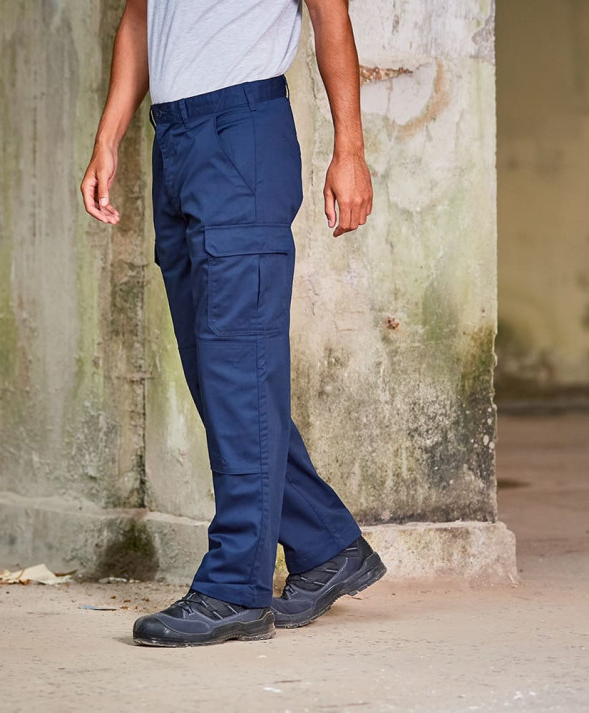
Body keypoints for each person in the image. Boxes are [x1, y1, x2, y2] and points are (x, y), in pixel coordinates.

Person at [81, 0, 385, 647]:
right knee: (220, 376)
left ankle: (233, 588)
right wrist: (108, 138)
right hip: (174, 140)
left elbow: (331, 17)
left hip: (242, 131)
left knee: (238, 372)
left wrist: (350, 150)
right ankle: (327, 546)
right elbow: (138, 19)